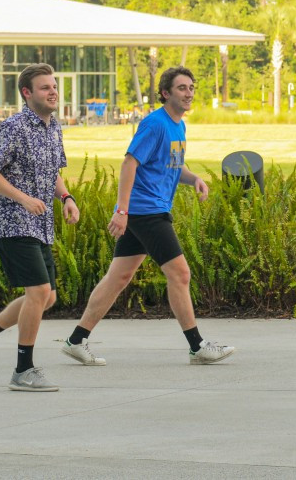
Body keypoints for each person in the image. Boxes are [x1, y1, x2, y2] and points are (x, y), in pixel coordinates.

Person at [61, 66, 235, 367]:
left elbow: (173, 165)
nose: (189, 92)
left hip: (149, 209)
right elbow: (130, 164)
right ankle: (197, 347)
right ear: (166, 93)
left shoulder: (177, 126)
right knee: (180, 274)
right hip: (146, 211)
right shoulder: (154, 124)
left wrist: (194, 179)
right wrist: (122, 210)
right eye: (182, 88)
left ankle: (76, 340)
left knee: (119, 277)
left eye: (192, 87)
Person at [0, 64, 80, 392]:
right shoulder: (13, 127)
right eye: (45, 88)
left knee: (47, 297)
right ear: (27, 93)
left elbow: (53, 171)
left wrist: (66, 196)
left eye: (54, 86)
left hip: (40, 224)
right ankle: (23, 370)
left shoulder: (54, 128)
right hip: (11, 222)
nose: (53, 91)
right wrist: (24, 199)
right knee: (38, 293)